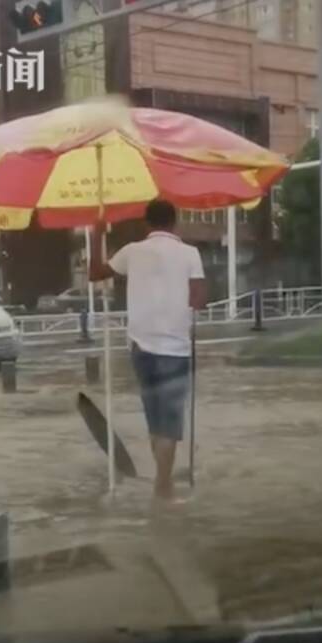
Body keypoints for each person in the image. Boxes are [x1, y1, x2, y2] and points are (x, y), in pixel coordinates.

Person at [89, 199, 207, 500]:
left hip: (141, 348)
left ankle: (161, 480)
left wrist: (97, 234)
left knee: (154, 419)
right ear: (175, 222)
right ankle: (163, 486)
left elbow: (95, 273)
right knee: (169, 424)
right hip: (176, 350)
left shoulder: (131, 252)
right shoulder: (190, 254)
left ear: (147, 223)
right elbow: (198, 300)